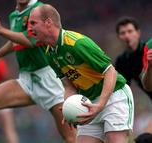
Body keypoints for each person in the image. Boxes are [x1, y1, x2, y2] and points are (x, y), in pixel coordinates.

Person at [27, 4, 134, 143]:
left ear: (48, 22)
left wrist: (100, 105)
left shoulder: (77, 43)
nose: (29, 28)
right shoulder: (49, 54)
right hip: (88, 103)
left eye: (33, 23)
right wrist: (68, 107)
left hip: (114, 96)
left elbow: (110, 71)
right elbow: (69, 86)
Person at [0, 0, 76, 143]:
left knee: (70, 138)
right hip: (26, 80)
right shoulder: (14, 15)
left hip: (49, 78)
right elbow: (15, 40)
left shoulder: (39, 9)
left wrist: (1, 30)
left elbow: (30, 40)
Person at [115, 17, 152, 100]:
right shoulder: (122, 61)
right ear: (118, 37)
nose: (127, 36)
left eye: (130, 31)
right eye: (122, 33)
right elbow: (122, 89)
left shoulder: (149, 50)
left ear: (138, 33)